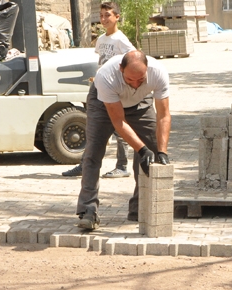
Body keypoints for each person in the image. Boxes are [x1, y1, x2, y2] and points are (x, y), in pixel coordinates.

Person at [76, 50, 171, 230]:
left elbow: (164, 116)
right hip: (104, 105)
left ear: (147, 70)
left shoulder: (158, 72)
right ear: (121, 69)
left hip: (140, 103)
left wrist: (162, 151)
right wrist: (141, 149)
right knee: (93, 153)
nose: (135, 84)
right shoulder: (106, 76)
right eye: (129, 80)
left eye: (140, 80)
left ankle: (139, 207)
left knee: (153, 147)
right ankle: (87, 210)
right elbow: (118, 121)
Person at [62, 2, 136, 178]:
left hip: (114, 90)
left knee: (119, 127)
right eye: (102, 15)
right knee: (92, 125)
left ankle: (122, 166)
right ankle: (84, 164)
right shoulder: (102, 40)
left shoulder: (121, 40)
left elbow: (133, 60)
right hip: (98, 87)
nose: (104, 19)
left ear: (117, 17)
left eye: (108, 15)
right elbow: (102, 62)